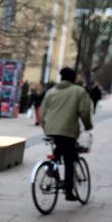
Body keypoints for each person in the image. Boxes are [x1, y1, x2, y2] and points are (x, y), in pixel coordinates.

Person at [40, 67, 93, 201]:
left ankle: (52, 166)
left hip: (51, 129)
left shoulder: (51, 92)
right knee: (70, 158)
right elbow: (84, 112)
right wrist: (87, 126)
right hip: (68, 131)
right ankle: (69, 191)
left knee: (59, 148)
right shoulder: (79, 91)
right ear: (73, 78)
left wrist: (45, 128)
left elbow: (42, 113)